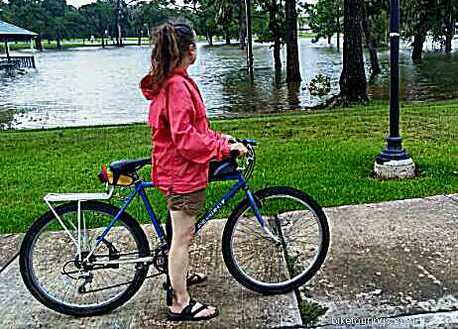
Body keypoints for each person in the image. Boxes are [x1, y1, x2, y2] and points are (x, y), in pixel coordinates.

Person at [140, 22, 247, 321]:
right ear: (189, 49)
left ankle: (178, 276)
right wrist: (222, 150)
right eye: (195, 44)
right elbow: (186, 140)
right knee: (182, 239)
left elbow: (196, 129)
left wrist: (223, 140)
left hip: (178, 169)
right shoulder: (177, 87)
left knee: (178, 233)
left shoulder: (177, 81)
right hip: (182, 173)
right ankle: (180, 302)